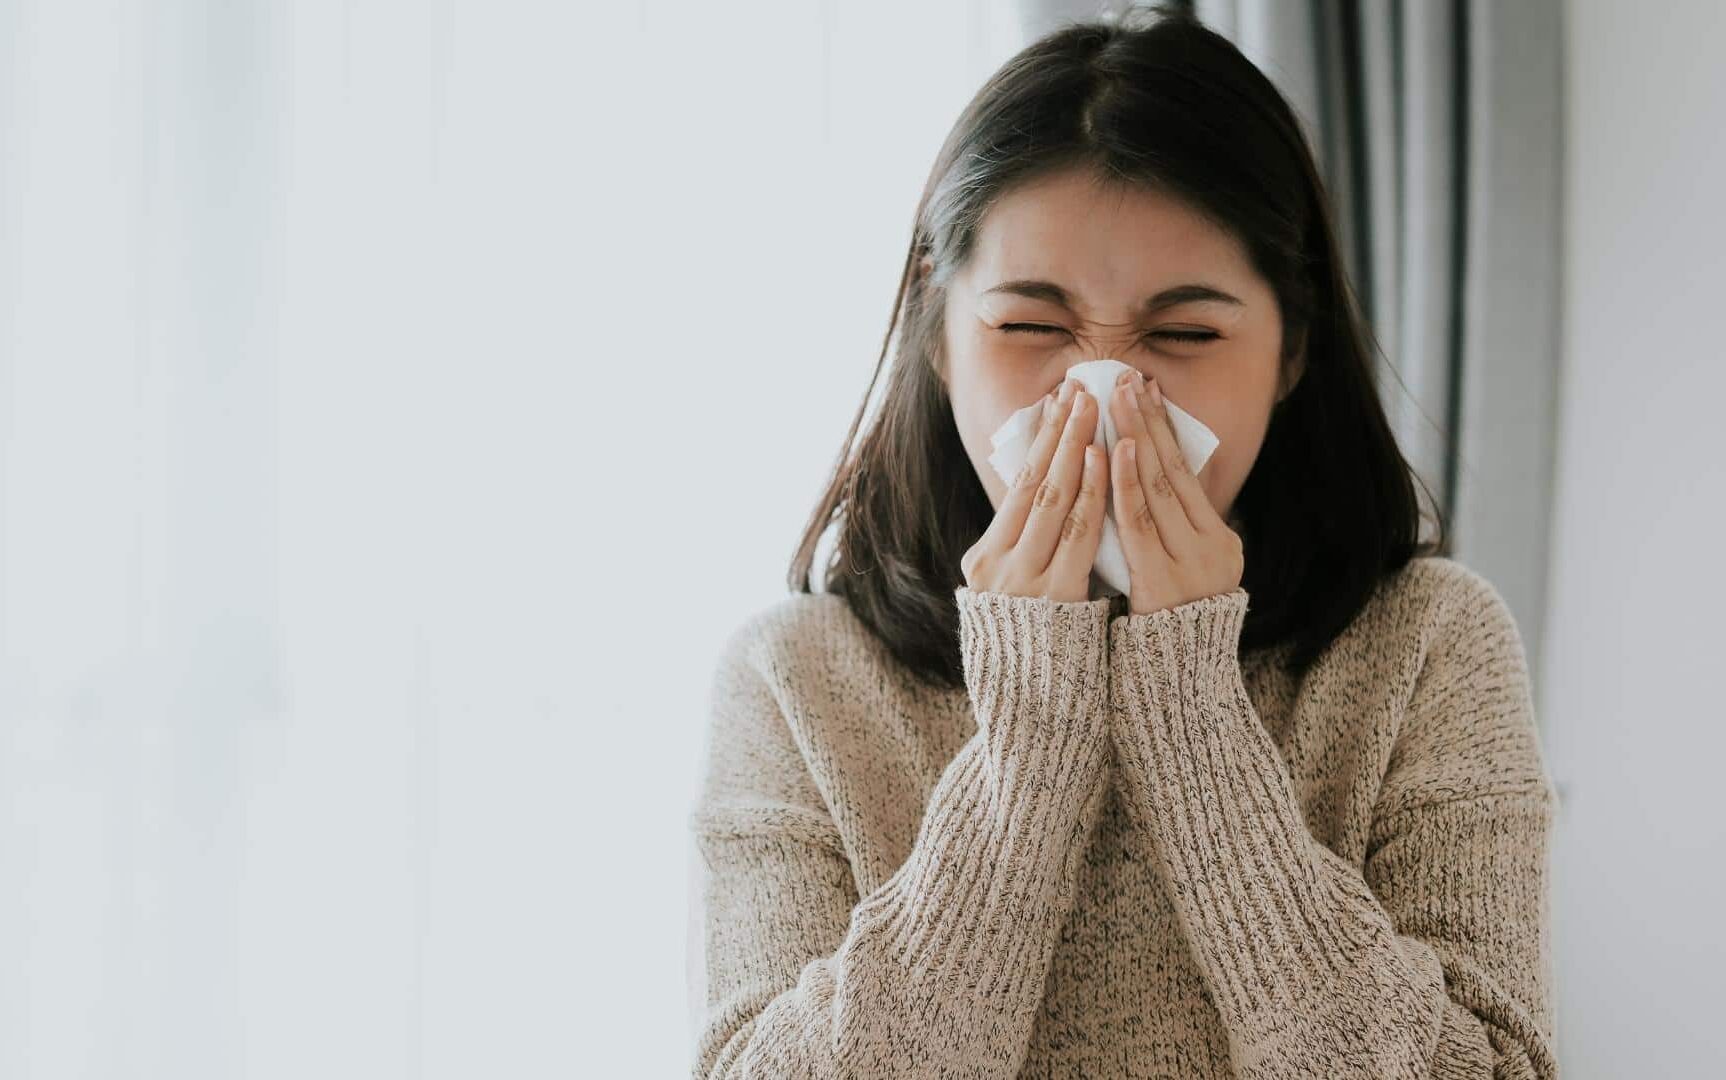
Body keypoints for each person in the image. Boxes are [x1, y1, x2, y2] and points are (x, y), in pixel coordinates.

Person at [687, 5, 1558, 1077]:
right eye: (1030, 329)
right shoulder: (797, 679)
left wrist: (1190, 705)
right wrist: (1031, 728)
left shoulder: (1429, 644)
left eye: (1184, 334)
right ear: (940, 335)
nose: (1101, 400)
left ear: (1290, 351)